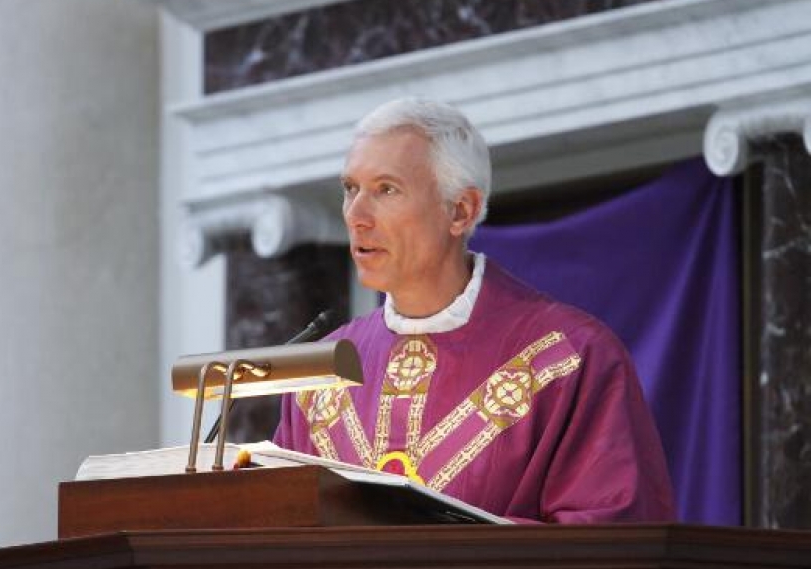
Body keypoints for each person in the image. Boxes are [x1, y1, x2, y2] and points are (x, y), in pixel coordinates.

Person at [273, 97, 676, 523]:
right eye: (351, 189)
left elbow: (615, 540)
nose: (356, 216)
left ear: (460, 211)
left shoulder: (571, 357)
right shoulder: (322, 373)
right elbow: (282, 524)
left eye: (386, 189)